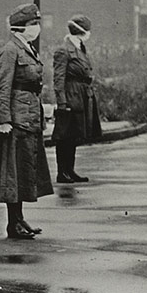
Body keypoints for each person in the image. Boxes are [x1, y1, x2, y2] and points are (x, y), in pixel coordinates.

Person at [0, 4, 53, 240]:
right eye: (32, 24)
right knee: (13, 173)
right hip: (16, 119)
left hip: (29, 117)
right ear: (20, 27)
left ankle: (19, 219)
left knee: (23, 172)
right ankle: (12, 223)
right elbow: (3, 87)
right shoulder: (10, 50)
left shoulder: (26, 48)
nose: (36, 28)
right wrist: (4, 119)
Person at [52, 14, 101, 183]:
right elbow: (58, 79)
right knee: (65, 135)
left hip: (81, 95)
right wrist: (62, 102)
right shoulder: (64, 50)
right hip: (70, 94)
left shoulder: (80, 47)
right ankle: (62, 172)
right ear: (81, 32)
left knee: (73, 135)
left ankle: (70, 170)